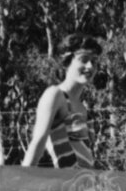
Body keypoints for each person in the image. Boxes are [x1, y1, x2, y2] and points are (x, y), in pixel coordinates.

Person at [22, 33, 101, 168]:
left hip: (87, 185)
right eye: (84, 59)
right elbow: (38, 142)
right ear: (67, 62)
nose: (90, 67)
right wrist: (18, 182)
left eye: (94, 61)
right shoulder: (55, 95)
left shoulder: (82, 107)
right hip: (66, 185)